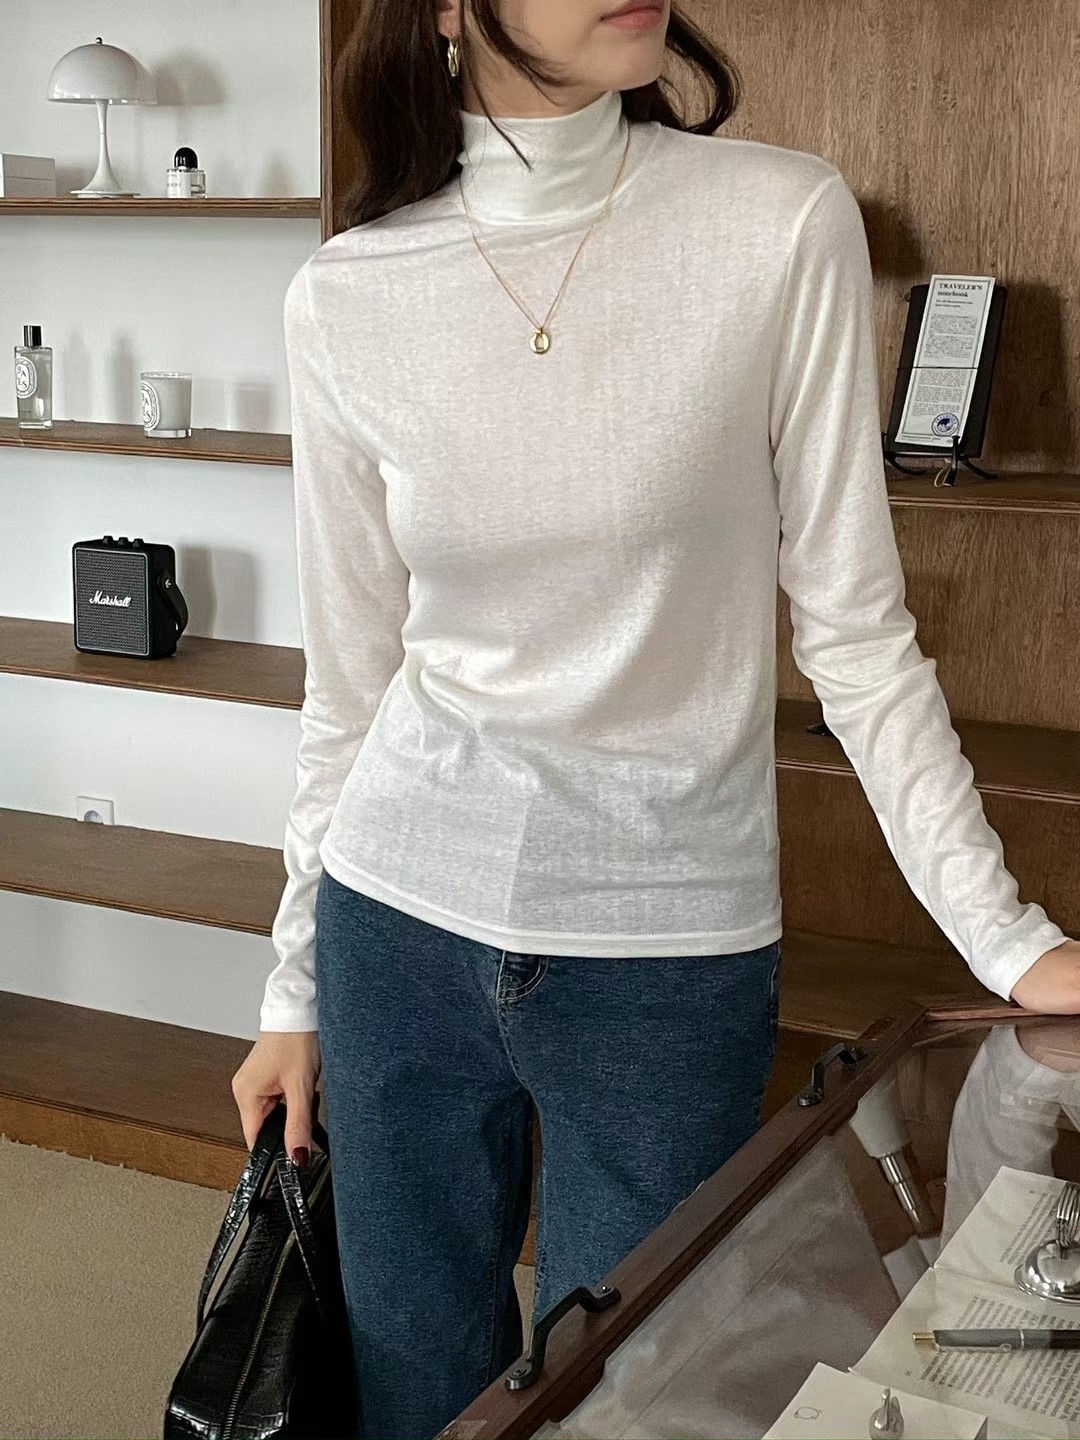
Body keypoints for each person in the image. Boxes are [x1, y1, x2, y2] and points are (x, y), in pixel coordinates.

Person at [231, 1, 1080, 1434]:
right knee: (412, 1383)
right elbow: (352, 690)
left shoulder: (779, 223)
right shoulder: (347, 295)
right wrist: (292, 993)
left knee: (635, 1400)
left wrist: (1010, 941)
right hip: (397, 921)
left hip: (665, 951)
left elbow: (857, 635)